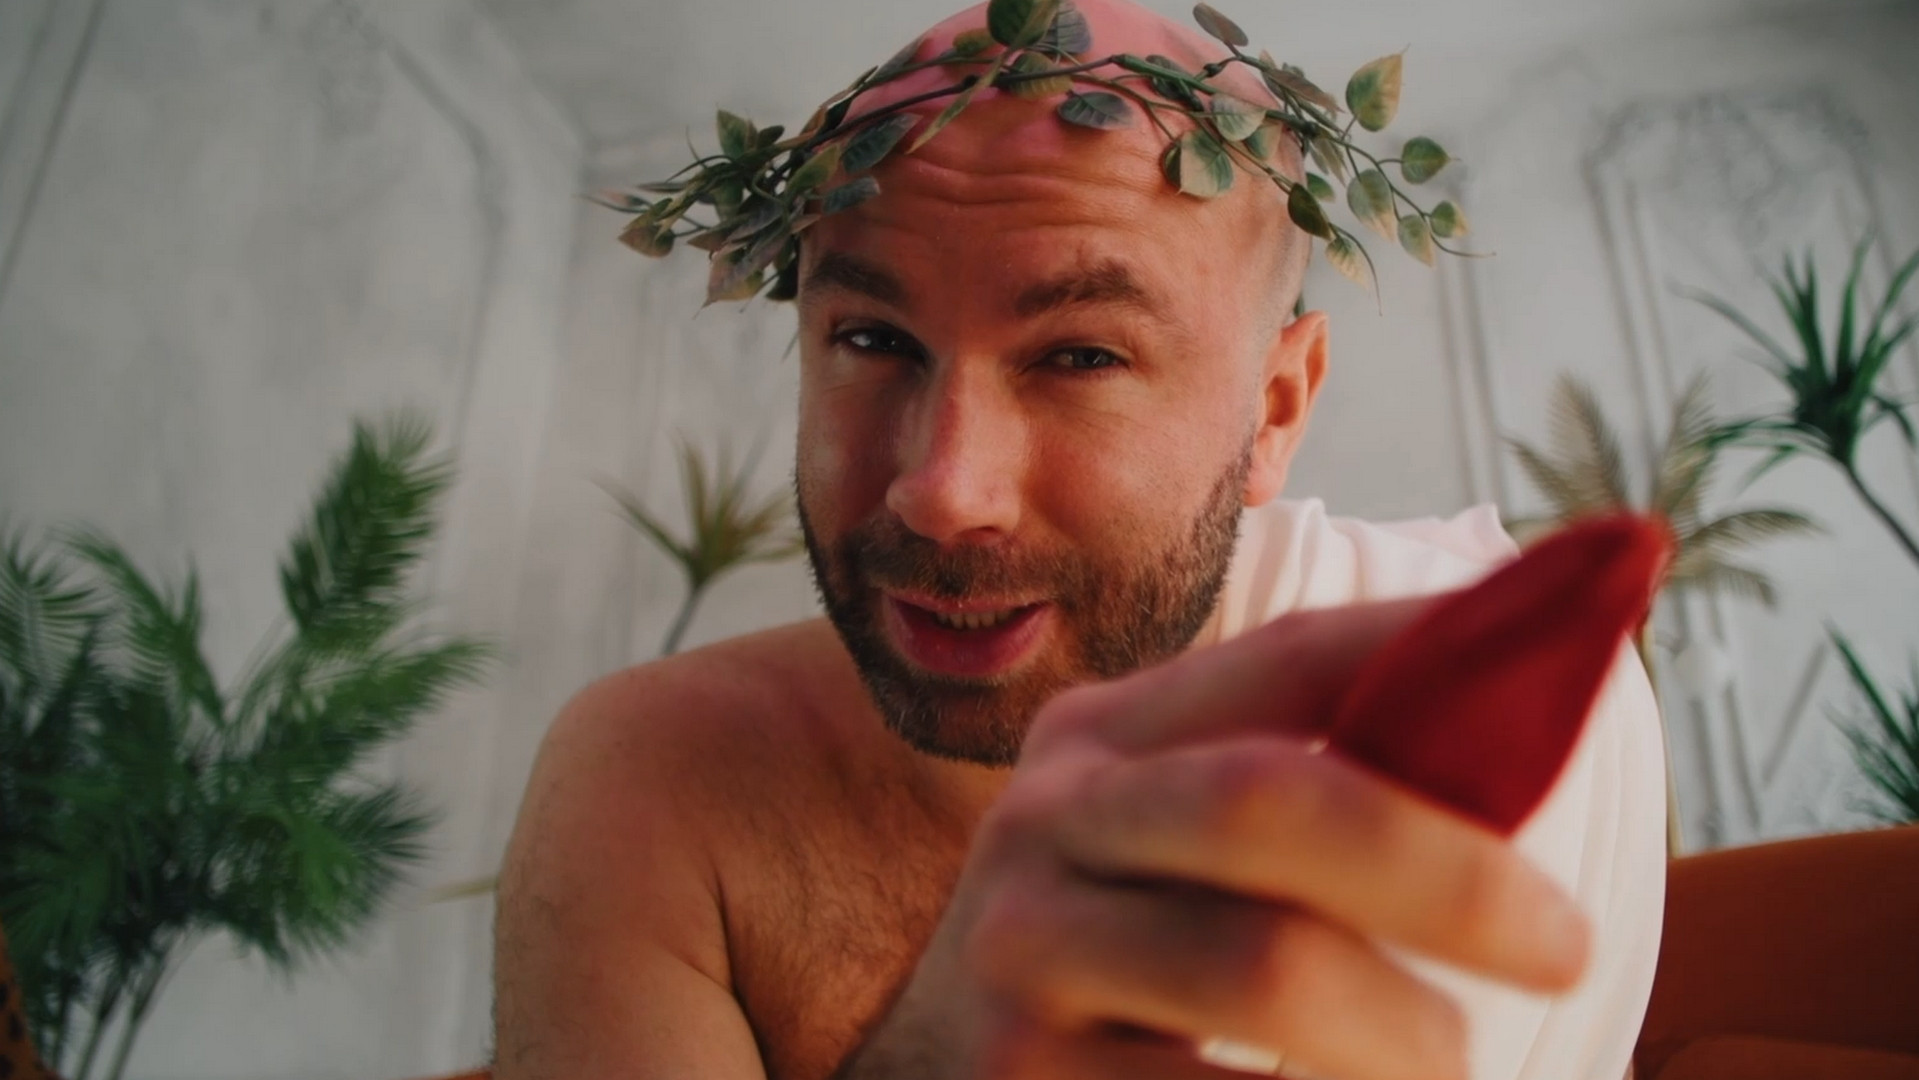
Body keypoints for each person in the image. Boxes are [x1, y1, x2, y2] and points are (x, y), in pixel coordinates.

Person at [492, 2, 1668, 1078]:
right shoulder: (652, 784)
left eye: (1080, 356)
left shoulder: (1528, 709)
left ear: (1273, 411)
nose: (940, 491)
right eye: (872, 340)